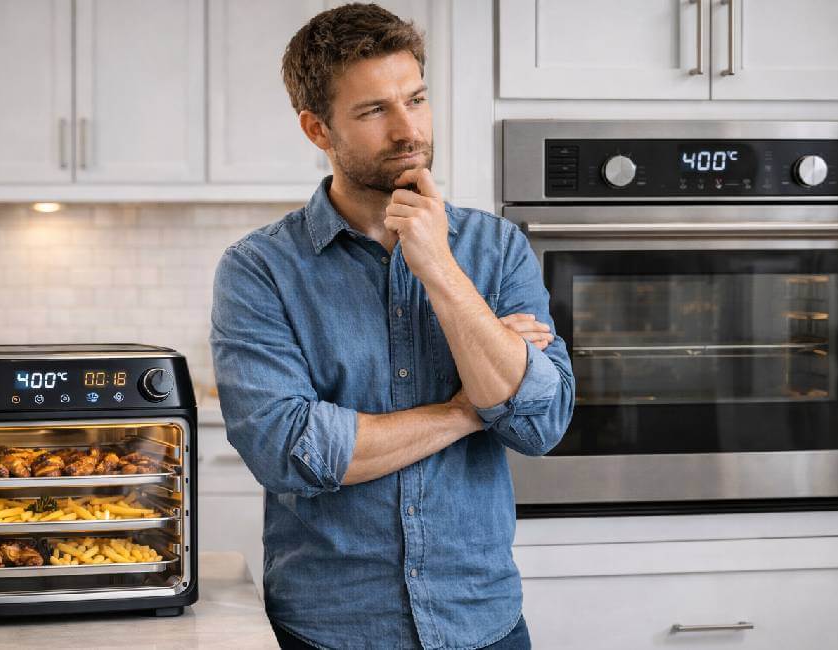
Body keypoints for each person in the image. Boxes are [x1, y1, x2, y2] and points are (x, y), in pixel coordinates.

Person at [209, 4, 574, 648]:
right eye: (374, 110)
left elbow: (540, 423)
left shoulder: (495, 249)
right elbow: (293, 450)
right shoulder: (259, 269)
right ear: (317, 129)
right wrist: (470, 410)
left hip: (483, 621)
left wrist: (439, 268)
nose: (408, 129)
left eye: (417, 98)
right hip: (333, 629)